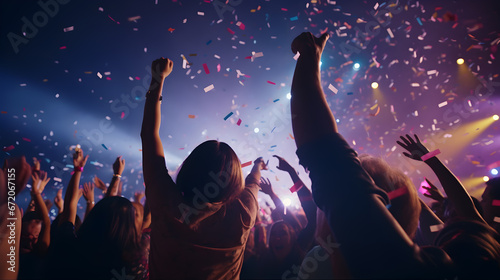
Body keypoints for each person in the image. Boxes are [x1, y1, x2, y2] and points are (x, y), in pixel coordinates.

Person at [289, 32, 455, 278]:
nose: (323, 201)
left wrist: (309, 56)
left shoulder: (322, 266)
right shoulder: (436, 265)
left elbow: (325, 153)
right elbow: (469, 221)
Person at [141, 57, 265, 279]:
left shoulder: (165, 202)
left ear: (189, 168)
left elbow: (149, 136)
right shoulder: (243, 213)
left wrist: (158, 79)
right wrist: (257, 165)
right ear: (234, 181)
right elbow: (254, 181)